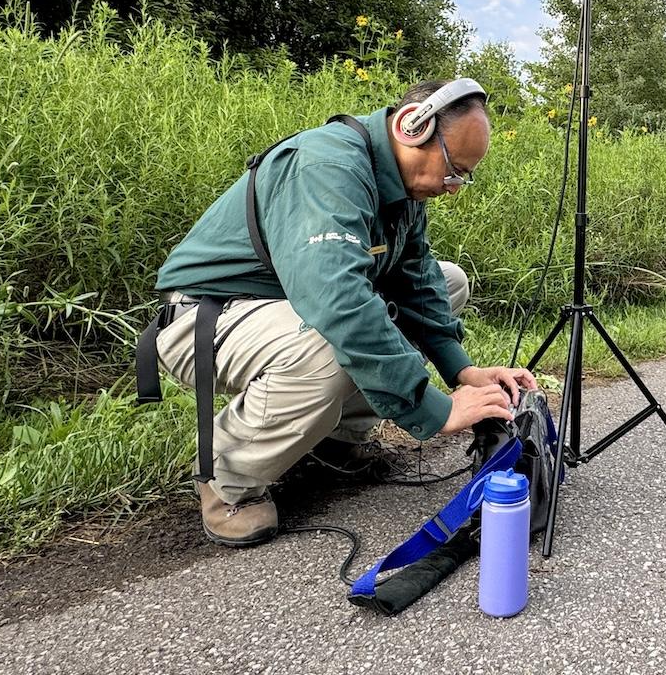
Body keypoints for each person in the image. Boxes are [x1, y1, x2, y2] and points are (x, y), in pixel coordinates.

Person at [148, 78, 536, 547]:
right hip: (204, 318)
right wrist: (434, 410)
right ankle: (227, 478)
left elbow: (418, 279)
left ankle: (335, 440)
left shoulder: (401, 192)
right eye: (454, 169)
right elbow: (340, 303)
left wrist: (463, 369)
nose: (453, 188)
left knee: (449, 279)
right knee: (332, 339)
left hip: (281, 309)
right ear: (412, 127)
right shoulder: (326, 167)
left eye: (464, 176)